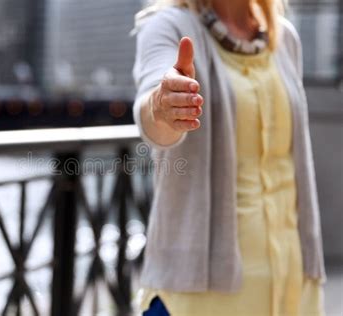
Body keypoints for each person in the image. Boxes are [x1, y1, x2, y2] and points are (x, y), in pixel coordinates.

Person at [131, 0, 327, 315]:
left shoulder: (284, 37)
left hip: (292, 287)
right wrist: (163, 106)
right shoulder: (168, 26)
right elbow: (154, 112)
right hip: (201, 297)